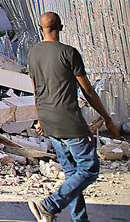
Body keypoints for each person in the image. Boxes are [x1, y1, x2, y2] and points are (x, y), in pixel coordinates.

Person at [26, 11, 120, 222]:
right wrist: (107, 118)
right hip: (68, 119)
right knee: (89, 169)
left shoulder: (33, 54)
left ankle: (79, 218)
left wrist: (40, 118)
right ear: (61, 27)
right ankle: (49, 205)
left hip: (49, 120)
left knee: (72, 172)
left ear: (41, 28)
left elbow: (36, 90)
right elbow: (87, 91)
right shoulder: (69, 53)